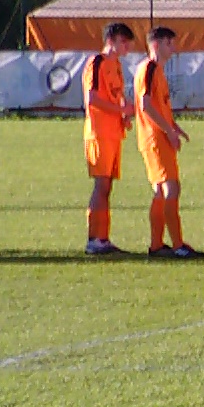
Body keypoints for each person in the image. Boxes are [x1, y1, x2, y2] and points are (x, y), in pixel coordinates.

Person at [135, 26, 200, 258]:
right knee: (170, 188)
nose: (174, 48)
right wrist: (167, 131)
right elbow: (145, 104)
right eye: (169, 44)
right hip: (155, 137)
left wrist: (174, 127)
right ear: (156, 45)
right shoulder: (150, 68)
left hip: (157, 135)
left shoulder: (158, 70)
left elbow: (159, 104)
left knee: (162, 191)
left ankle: (157, 245)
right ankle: (177, 245)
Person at [82, 22, 136, 255]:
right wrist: (120, 111)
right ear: (111, 39)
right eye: (124, 42)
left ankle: (103, 238)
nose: (127, 48)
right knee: (101, 185)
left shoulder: (117, 66)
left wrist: (123, 114)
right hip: (99, 132)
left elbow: (118, 96)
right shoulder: (97, 63)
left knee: (107, 186)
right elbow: (92, 99)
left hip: (113, 133)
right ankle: (94, 239)